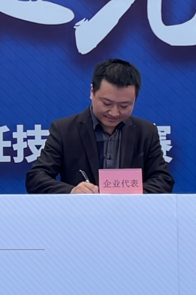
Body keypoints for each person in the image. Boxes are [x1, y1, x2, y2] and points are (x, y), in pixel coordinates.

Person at [26, 59, 174, 194]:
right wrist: (71, 191)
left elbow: (163, 180)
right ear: (92, 92)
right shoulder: (64, 130)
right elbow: (36, 178)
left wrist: (133, 195)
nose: (114, 112)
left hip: (130, 212)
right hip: (80, 212)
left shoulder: (146, 132)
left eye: (124, 106)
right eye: (107, 103)